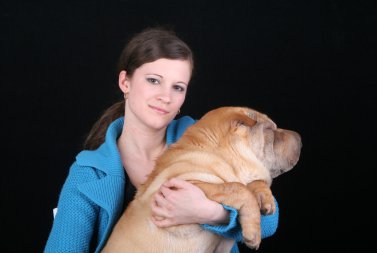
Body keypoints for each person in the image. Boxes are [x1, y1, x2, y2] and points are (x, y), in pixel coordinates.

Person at [44, 27, 279, 253]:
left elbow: (269, 222)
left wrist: (208, 213)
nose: (165, 97)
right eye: (154, 80)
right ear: (125, 82)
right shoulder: (89, 173)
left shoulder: (210, 140)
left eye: (177, 87)